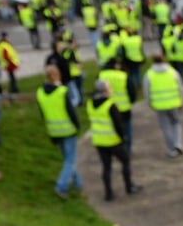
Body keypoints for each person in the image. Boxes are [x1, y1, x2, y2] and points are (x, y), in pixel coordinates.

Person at [88, 79, 142, 201]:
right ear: (105, 91)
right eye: (109, 88)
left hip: (99, 141)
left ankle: (108, 193)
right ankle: (129, 186)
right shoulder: (110, 105)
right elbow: (118, 124)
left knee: (106, 167)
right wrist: (123, 138)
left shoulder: (90, 104)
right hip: (113, 140)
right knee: (125, 161)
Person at [36, 65, 81, 198]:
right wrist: (77, 125)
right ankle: (61, 186)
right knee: (70, 160)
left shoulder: (40, 92)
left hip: (53, 131)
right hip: (67, 130)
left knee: (67, 159)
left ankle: (78, 183)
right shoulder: (62, 91)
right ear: (57, 76)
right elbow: (71, 111)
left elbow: (42, 113)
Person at [143, 53, 183, 158]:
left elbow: (146, 91)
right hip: (174, 103)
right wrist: (182, 100)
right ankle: (178, 144)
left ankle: (171, 148)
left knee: (165, 127)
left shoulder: (149, 74)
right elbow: (180, 87)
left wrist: (150, 103)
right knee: (176, 123)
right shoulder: (172, 72)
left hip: (159, 105)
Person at [98, 59, 137, 154]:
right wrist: (130, 101)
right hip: (124, 109)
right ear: (116, 65)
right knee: (127, 131)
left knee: (113, 130)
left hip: (108, 109)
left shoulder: (101, 75)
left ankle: (117, 149)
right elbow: (132, 92)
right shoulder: (123, 75)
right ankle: (127, 150)